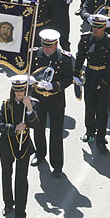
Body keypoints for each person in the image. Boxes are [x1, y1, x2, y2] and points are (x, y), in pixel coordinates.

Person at [29, 29, 72, 177]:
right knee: (38, 128)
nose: (46, 50)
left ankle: (57, 164)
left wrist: (54, 86)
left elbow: (68, 79)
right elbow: (26, 70)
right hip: (38, 98)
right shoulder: (34, 54)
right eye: (44, 46)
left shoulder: (64, 58)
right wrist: (30, 79)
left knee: (56, 133)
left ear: (56, 44)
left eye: (50, 47)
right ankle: (40, 154)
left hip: (55, 99)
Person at [74, 15, 110, 152]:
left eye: (99, 27)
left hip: (103, 76)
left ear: (104, 27)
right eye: (94, 27)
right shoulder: (86, 39)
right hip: (90, 75)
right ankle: (90, 131)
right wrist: (76, 74)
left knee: (101, 110)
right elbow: (80, 57)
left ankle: (101, 138)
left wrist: (104, 82)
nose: (95, 30)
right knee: (89, 107)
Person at [0, 74, 37, 218]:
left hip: (24, 146)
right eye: (16, 91)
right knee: (6, 176)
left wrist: (29, 108)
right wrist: (14, 128)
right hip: (7, 145)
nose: (19, 94)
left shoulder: (32, 104)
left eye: (21, 91)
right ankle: (8, 204)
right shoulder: (6, 104)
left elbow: (36, 123)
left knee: (21, 179)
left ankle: (21, 210)